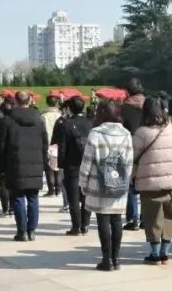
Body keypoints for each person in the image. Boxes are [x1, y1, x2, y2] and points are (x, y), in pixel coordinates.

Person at [79, 100, 134, 270]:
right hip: (119, 182)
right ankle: (116, 259)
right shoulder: (126, 134)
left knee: (102, 218)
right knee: (116, 220)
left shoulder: (95, 133)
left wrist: (83, 182)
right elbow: (129, 161)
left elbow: (87, 161)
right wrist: (124, 180)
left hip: (99, 183)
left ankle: (106, 259)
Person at [133, 97, 172, 264]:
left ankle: (154, 254)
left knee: (152, 218)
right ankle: (165, 252)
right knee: (170, 216)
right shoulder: (171, 128)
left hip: (149, 183)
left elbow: (132, 157)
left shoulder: (141, 132)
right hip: (171, 182)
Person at [0, 91, 47, 241]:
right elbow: (45, 143)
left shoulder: (7, 120)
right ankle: (32, 231)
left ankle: (22, 231)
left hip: (15, 163)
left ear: (16, 101)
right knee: (33, 198)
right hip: (35, 163)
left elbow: (1, 146)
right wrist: (43, 162)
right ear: (30, 100)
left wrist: (0, 166)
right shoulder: (39, 120)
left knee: (18, 197)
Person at [55, 96, 92, 235]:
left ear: (69, 108)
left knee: (73, 198)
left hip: (71, 165)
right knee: (86, 196)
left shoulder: (66, 124)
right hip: (88, 163)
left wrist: (60, 166)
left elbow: (62, 148)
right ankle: (85, 224)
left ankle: (76, 226)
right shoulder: (90, 123)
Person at [120, 79, 146, 230]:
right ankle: (145, 218)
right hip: (147, 146)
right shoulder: (148, 105)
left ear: (128, 91)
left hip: (130, 146)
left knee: (130, 183)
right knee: (146, 183)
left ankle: (132, 218)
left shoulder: (124, 107)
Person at [41, 95, 62, 197]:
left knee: (48, 167)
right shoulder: (60, 115)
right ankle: (58, 188)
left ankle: (51, 189)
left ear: (47, 103)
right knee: (58, 166)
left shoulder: (43, 116)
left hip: (47, 143)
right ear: (57, 103)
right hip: (59, 143)